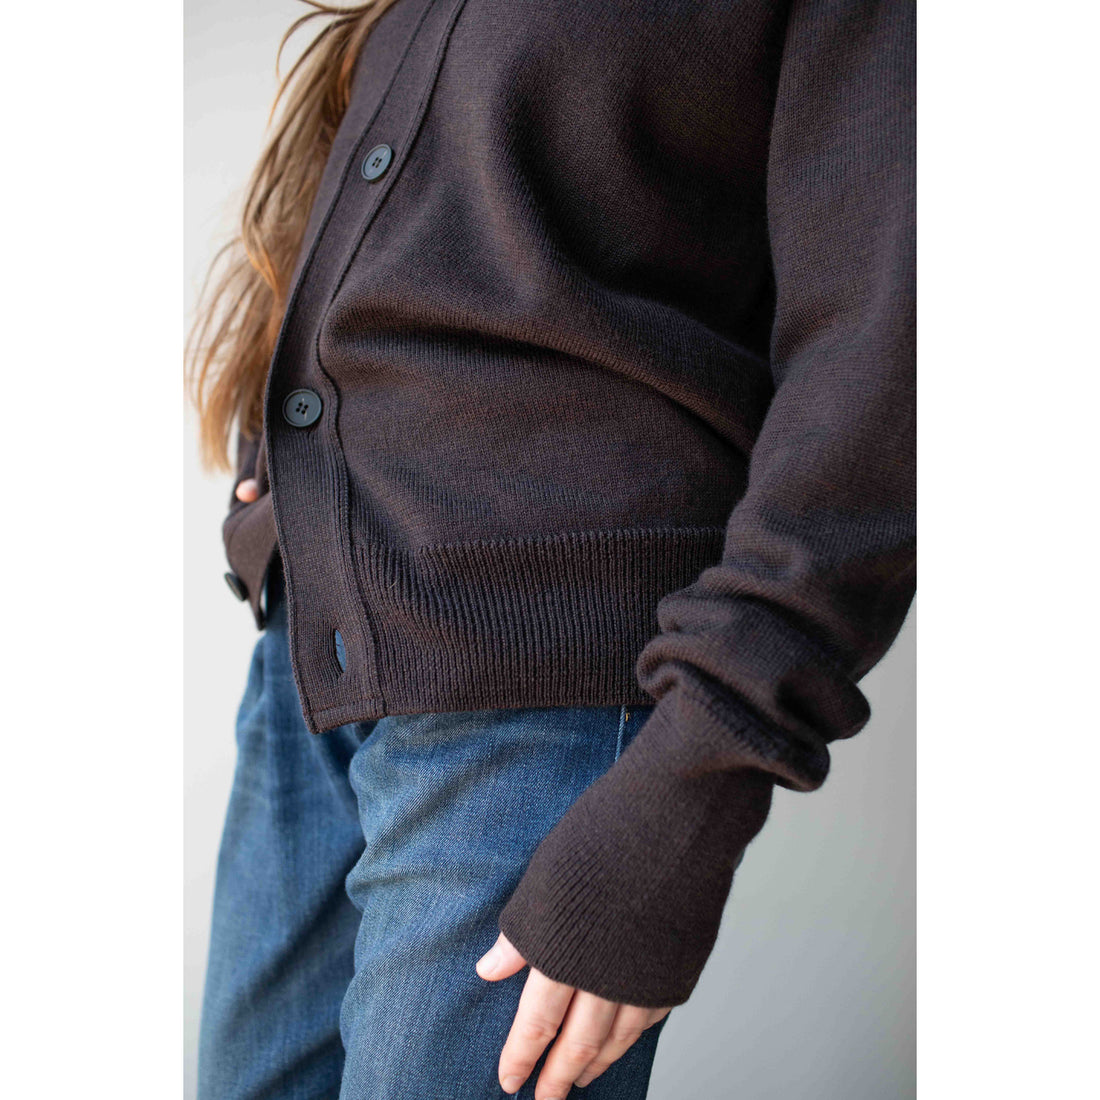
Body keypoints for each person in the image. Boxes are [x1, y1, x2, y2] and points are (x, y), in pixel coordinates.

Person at [186, 1, 915, 1097]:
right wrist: (279, 448)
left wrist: (694, 785)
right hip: (309, 668)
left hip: (535, 702)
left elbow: (887, 355)